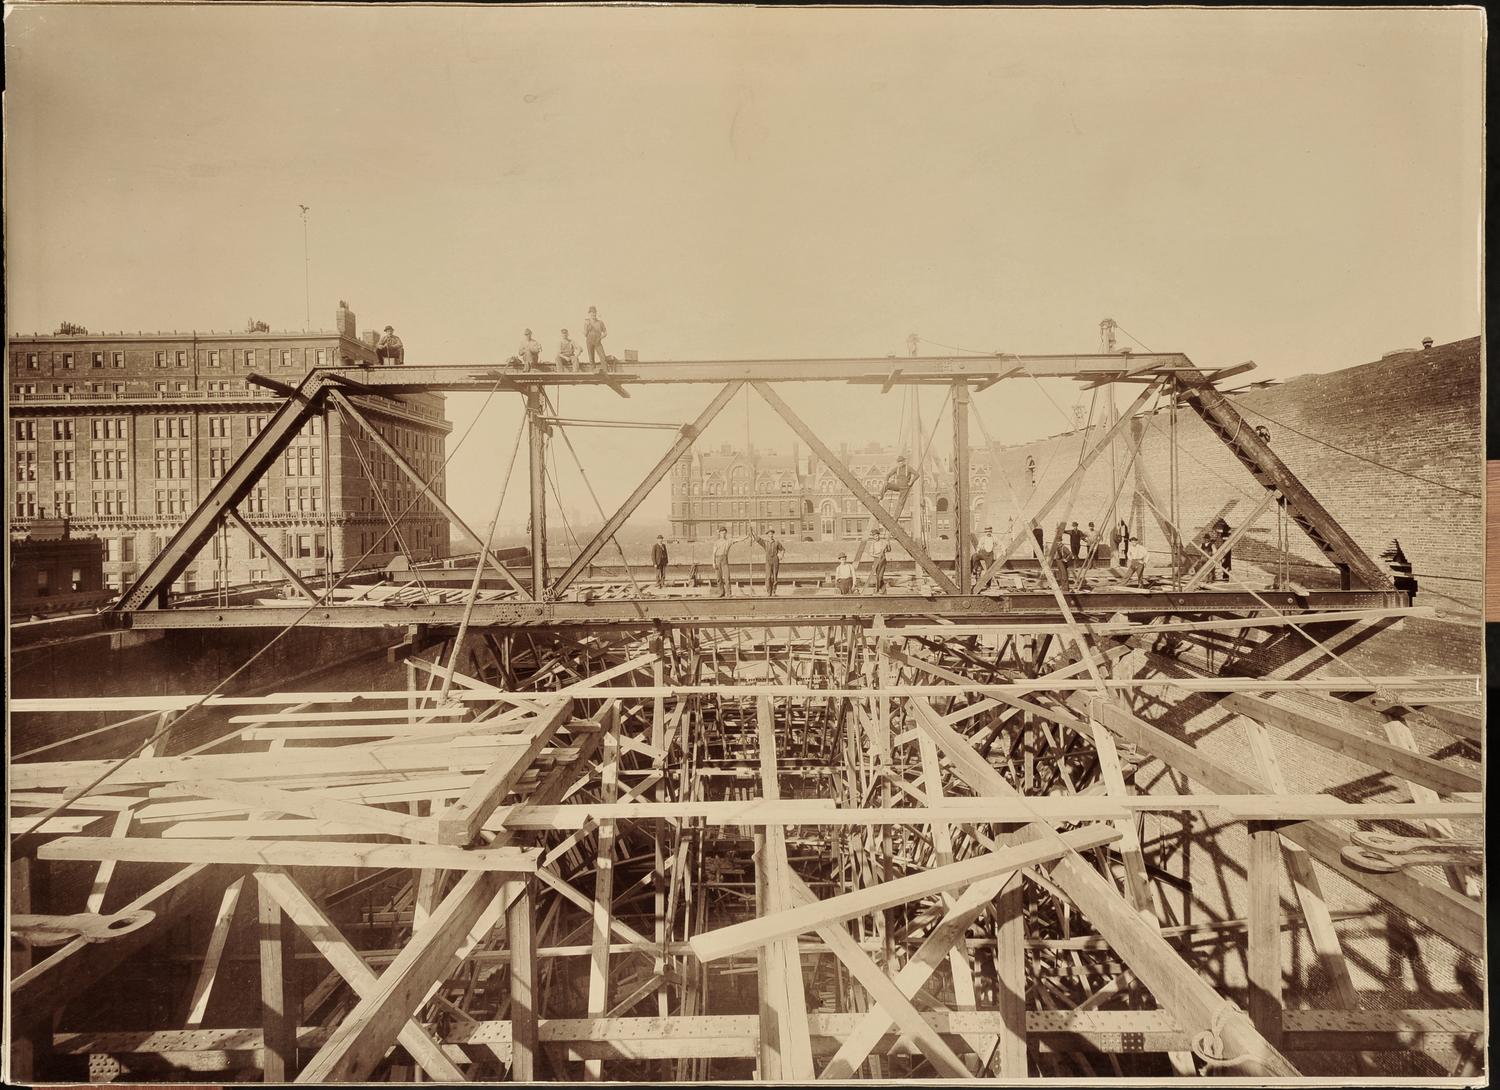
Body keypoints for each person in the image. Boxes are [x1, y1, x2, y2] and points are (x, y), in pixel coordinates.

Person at [750, 527, 785, 595]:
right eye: (769, 534)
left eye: (772, 534)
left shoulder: (776, 542)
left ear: (773, 535)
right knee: (768, 576)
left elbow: (783, 549)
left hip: (775, 560)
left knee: (775, 576)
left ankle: (774, 591)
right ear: (767, 535)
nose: (771, 535)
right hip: (768, 560)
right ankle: (769, 591)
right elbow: (758, 539)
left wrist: (781, 556)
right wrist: (752, 532)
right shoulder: (765, 542)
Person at [711, 525, 734, 598]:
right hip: (718, 560)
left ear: (726, 533)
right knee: (719, 578)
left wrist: (746, 537)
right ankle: (721, 592)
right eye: (722, 533)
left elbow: (737, 540)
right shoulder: (716, 542)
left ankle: (729, 593)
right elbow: (714, 553)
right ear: (719, 534)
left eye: (724, 533)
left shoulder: (728, 541)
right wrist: (713, 562)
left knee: (727, 577)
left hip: (724, 559)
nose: (723, 534)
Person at [868, 527, 892, 593]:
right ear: (873, 537)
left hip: (883, 559)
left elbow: (888, 550)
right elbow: (870, 553)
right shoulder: (873, 544)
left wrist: (888, 544)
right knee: (878, 576)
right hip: (876, 560)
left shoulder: (883, 542)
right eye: (875, 536)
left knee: (880, 576)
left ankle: (878, 589)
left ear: (879, 535)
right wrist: (876, 556)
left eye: (877, 535)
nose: (877, 537)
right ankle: (882, 589)